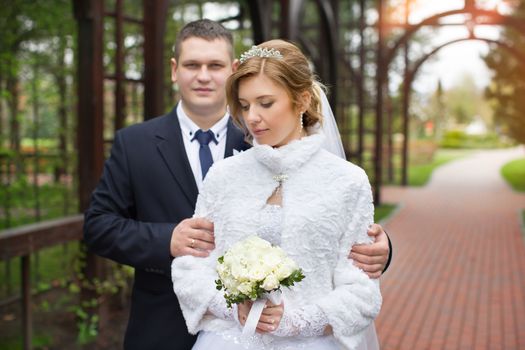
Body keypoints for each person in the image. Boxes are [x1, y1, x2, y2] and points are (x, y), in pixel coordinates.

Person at [84, 19, 389, 350]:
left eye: (214, 65)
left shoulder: (289, 150)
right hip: (170, 329)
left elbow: (340, 245)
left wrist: (382, 246)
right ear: (175, 70)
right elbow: (99, 226)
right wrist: (169, 240)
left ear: (231, 70)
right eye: (191, 65)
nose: (253, 117)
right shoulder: (136, 144)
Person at [172, 39, 382, 350]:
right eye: (244, 105)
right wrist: (232, 305)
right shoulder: (223, 176)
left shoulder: (348, 182)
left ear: (302, 99)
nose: (252, 117)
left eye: (265, 103)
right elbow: (192, 267)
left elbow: (362, 290)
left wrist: (298, 322)